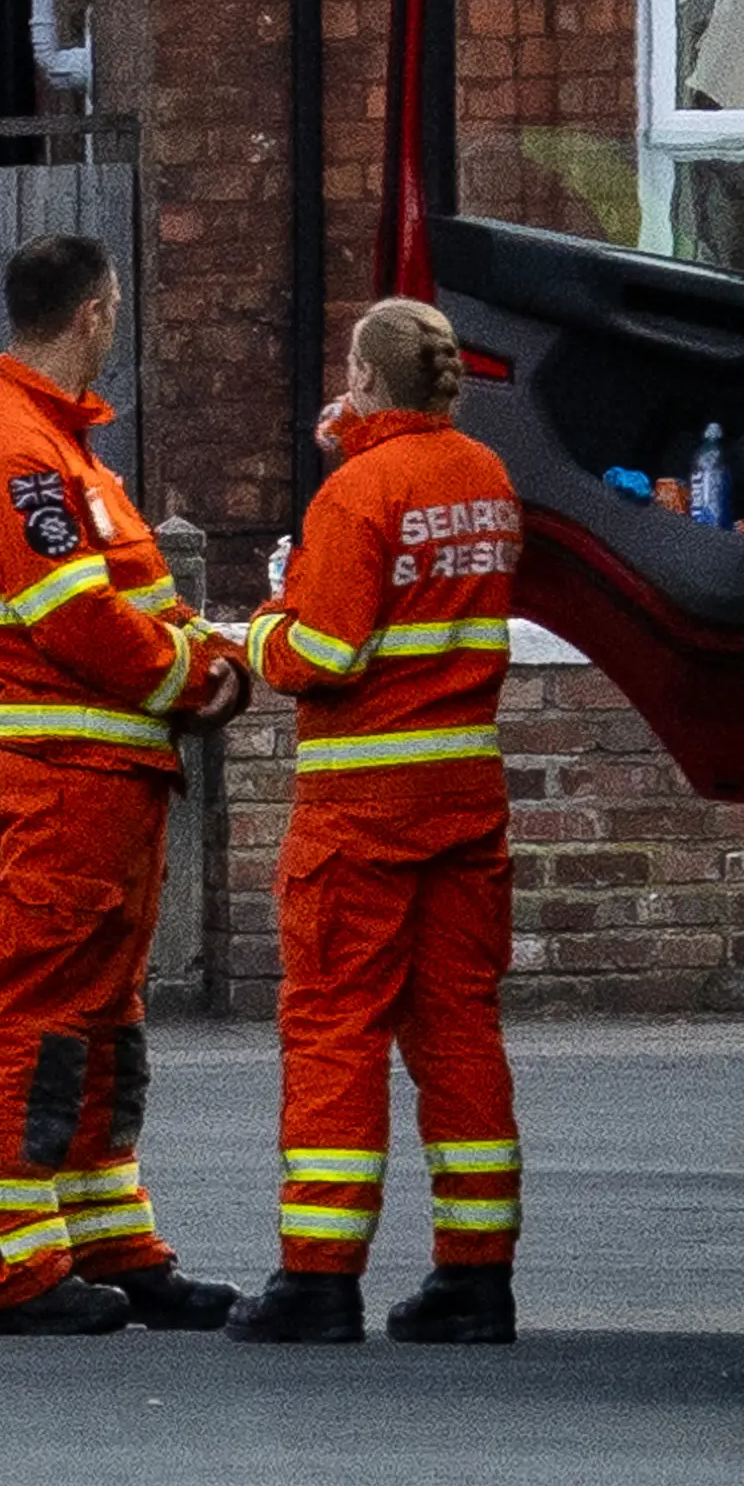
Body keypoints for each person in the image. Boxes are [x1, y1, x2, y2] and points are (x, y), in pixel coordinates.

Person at [0, 235, 253, 1336]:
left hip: (108, 773)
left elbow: (119, 602)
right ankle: (10, 1265)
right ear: (96, 313)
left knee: (103, 1020)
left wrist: (198, 657)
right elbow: (75, 618)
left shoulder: (55, 447)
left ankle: (107, 1239)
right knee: (33, 1015)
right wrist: (193, 677)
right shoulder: (22, 451)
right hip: (70, 772)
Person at [231, 296, 526, 1347]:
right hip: (463, 805)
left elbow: (326, 653)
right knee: (458, 1032)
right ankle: (475, 1276)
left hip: (361, 814)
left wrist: (265, 622)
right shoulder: (485, 480)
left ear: (362, 376)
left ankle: (319, 1279)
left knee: (335, 1033)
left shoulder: (357, 494)